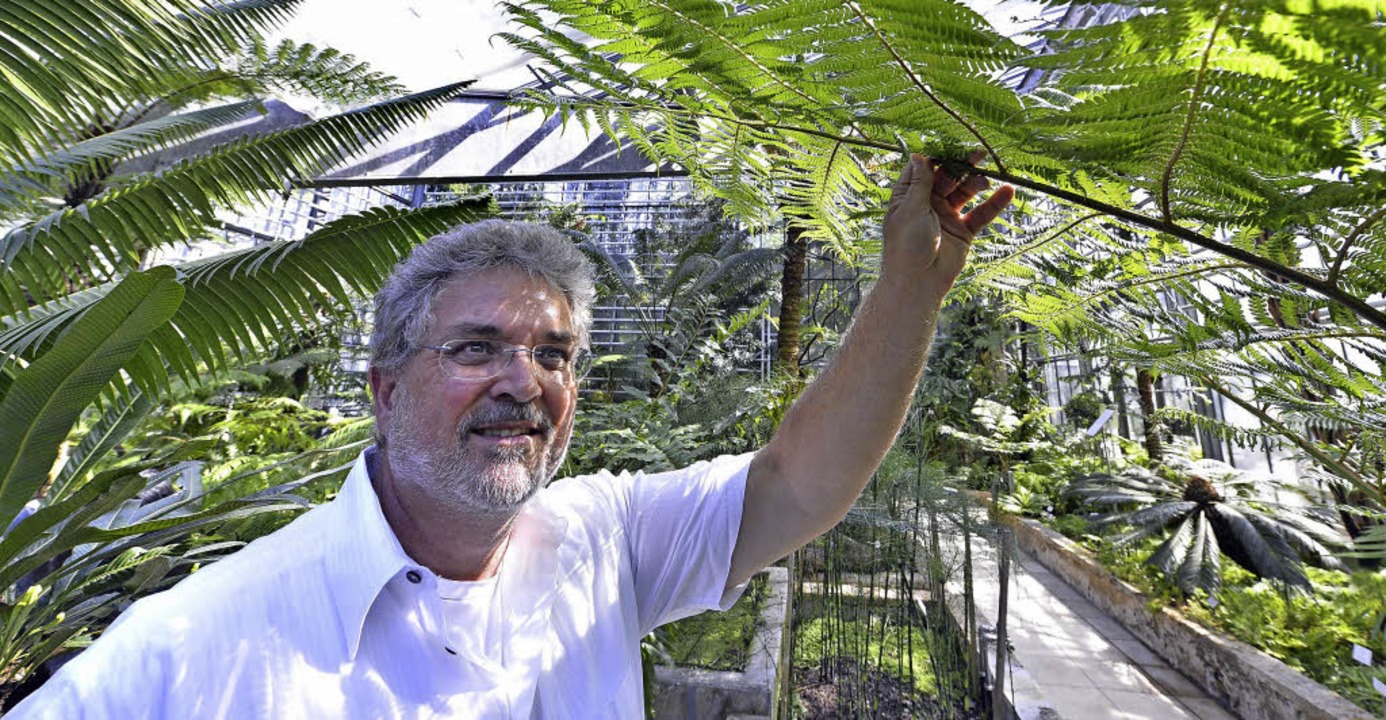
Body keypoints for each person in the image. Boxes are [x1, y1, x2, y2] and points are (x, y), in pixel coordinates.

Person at [9, 155, 1012, 718]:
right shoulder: (201, 643)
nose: (525, 383)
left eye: (556, 354)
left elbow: (799, 481)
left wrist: (911, 285)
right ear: (385, 389)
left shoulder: (602, 540)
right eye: (478, 347)